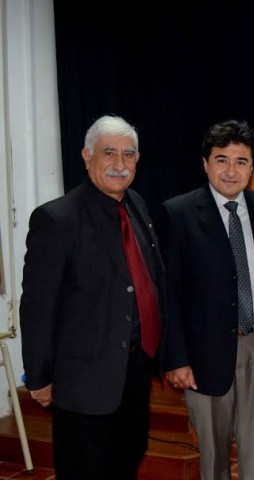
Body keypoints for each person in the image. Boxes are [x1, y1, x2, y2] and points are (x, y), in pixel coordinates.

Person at [20, 114, 165, 480]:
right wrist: (39, 377)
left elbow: (147, 282)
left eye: (128, 154)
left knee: (126, 463)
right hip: (82, 382)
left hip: (133, 374)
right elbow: (37, 306)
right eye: (109, 153)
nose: (120, 164)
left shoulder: (137, 206)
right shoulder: (56, 220)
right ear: (87, 156)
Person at [156, 119, 254, 480]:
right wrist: (176, 358)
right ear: (205, 163)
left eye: (241, 161)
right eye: (222, 159)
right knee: (212, 458)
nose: (231, 170)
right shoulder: (177, 213)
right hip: (203, 355)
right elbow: (170, 294)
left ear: (252, 168)